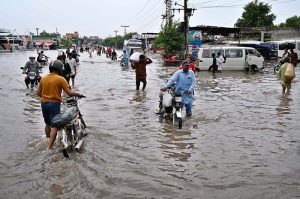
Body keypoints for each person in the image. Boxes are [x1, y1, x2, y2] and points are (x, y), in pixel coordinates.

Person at [37, 60, 84, 149]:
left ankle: (48, 140)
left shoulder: (43, 78)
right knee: (55, 125)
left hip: (44, 104)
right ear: (59, 68)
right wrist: (79, 94)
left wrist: (46, 97)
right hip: (54, 104)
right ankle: (49, 147)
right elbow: (69, 93)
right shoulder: (61, 79)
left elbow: (38, 93)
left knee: (47, 124)